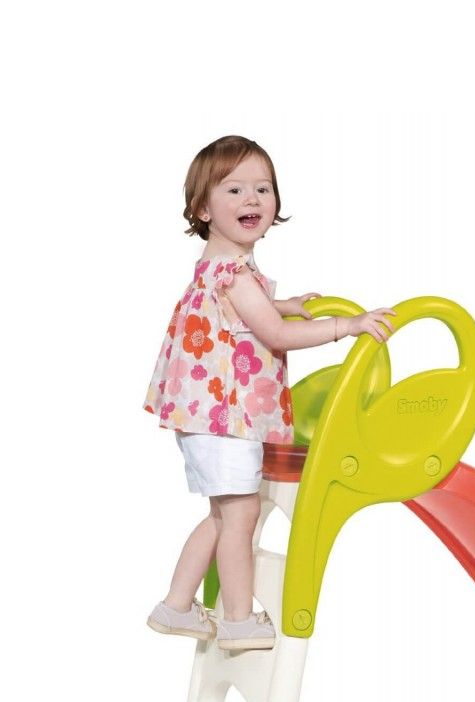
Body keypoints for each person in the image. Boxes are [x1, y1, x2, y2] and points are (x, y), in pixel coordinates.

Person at [143, 135, 396, 651]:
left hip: (208, 418)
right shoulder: (235, 272)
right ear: (203, 209)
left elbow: (246, 313)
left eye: (263, 188)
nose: (252, 199)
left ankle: (175, 606)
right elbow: (272, 335)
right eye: (234, 189)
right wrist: (345, 327)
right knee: (241, 518)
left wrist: (286, 303)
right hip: (224, 419)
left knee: (223, 516)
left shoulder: (221, 265)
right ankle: (238, 620)